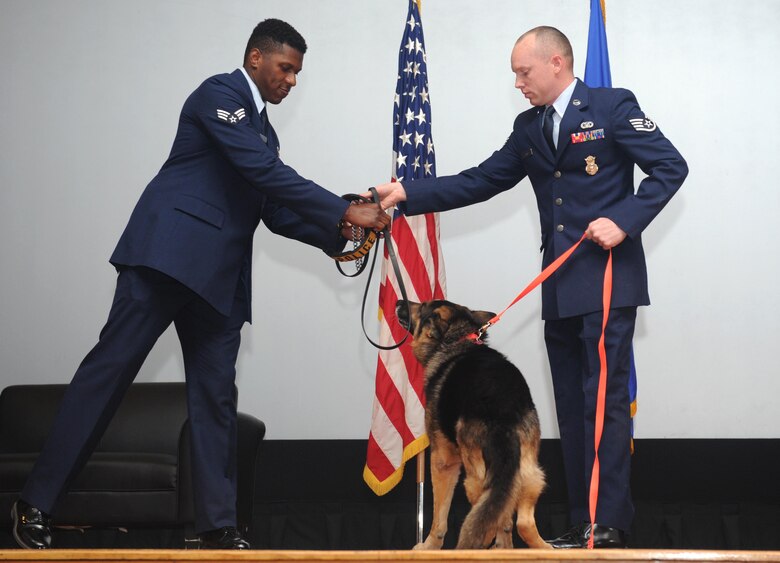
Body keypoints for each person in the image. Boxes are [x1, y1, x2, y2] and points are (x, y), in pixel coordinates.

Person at [11, 18, 389, 551]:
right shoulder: (220, 94)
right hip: (168, 259)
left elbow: (273, 208)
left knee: (215, 401)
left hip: (219, 284)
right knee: (108, 375)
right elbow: (260, 171)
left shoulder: (266, 132)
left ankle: (215, 527)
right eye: (285, 68)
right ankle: (35, 504)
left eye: (297, 73)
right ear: (256, 58)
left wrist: (343, 232)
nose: (291, 81)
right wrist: (343, 207)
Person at [373, 26, 687, 548]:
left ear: (557, 63)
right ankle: (585, 520)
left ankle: (607, 520)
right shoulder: (529, 128)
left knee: (603, 401)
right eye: (515, 74)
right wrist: (406, 192)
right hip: (559, 285)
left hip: (607, 277)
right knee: (568, 405)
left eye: (524, 72)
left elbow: (670, 166)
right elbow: (479, 180)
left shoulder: (611, 107)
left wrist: (625, 220)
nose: (518, 83)